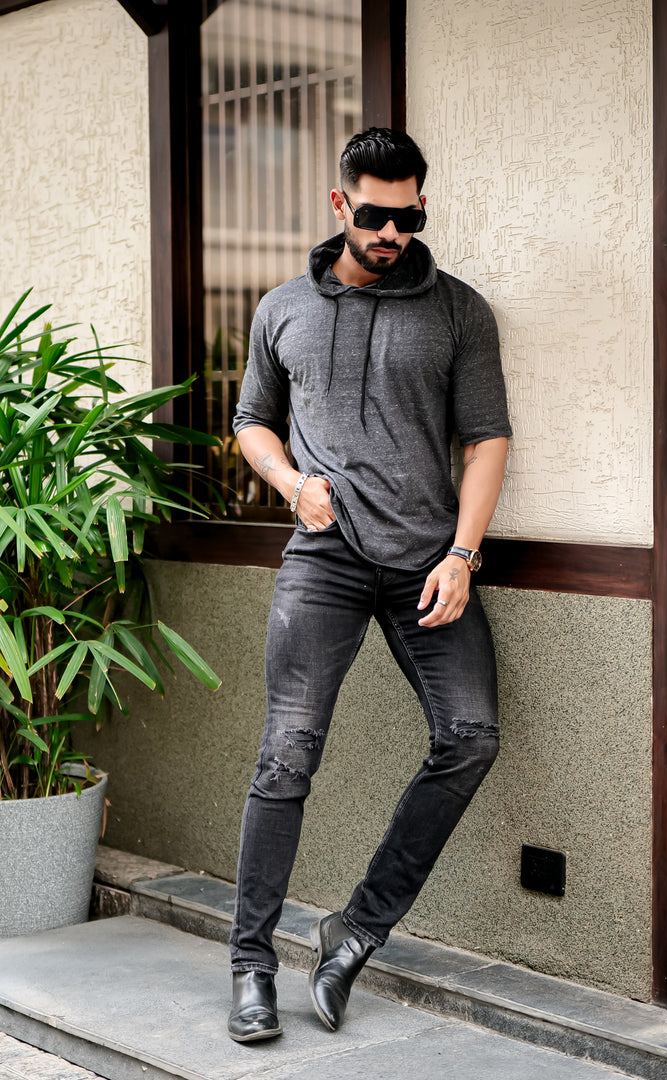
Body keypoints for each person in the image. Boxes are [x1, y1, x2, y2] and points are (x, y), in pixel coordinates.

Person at [228, 127, 512, 1043]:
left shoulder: (458, 311)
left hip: (430, 561)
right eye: (376, 215)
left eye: (409, 216)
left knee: (470, 737)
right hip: (326, 559)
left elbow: (487, 440)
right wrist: (290, 484)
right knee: (286, 756)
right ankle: (251, 967)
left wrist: (462, 555)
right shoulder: (282, 309)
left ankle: (355, 929)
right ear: (340, 204)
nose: (392, 233)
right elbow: (251, 420)